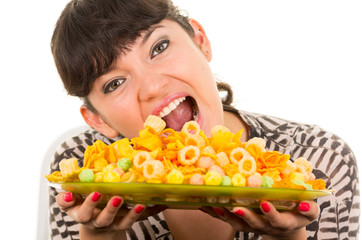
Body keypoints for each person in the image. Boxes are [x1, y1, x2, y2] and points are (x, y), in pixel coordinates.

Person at [48, 0, 359, 239]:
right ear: (98, 120)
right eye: (114, 83)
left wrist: (288, 237)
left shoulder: (318, 158)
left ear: (200, 41)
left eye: (159, 47)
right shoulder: (81, 170)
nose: (153, 87)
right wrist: (99, 236)